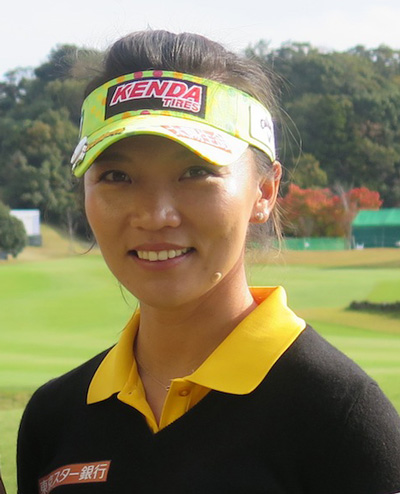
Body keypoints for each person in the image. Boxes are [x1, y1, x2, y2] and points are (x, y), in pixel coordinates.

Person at [17, 30, 400, 494]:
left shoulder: (343, 419)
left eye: (196, 172)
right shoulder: (53, 419)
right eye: (117, 176)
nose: (155, 215)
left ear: (265, 191)